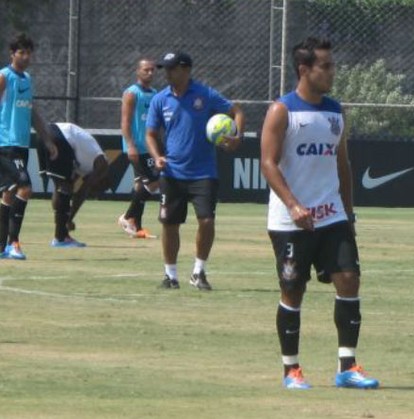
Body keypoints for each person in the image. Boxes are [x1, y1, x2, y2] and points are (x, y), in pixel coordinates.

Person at [260, 37, 380, 390]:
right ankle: (291, 370)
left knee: (349, 280)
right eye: (324, 66)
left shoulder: (334, 111)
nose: (331, 72)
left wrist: (349, 214)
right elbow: (267, 163)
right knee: (293, 290)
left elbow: (342, 165)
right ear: (304, 70)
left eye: (331, 65)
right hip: (290, 221)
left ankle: (348, 366)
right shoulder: (282, 110)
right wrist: (293, 204)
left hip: (332, 217)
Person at [145, 51, 244, 291]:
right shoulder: (160, 99)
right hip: (172, 172)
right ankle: (170, 275)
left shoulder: (205, 94)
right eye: (165, 69)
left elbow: (237, 112)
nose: (167, 73)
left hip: (203, 172)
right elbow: (150, 133)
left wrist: (237, 138)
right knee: (169, 224)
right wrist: (157, 156)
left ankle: (199, 272)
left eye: (171, 69)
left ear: (186, 70)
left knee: (207, 221)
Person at [0, 33, 57, 260]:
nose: (25, 56)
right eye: (21, 52)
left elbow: (31, 111)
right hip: (6, 143)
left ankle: (2, 246)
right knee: (25, 187)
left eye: (28, 52)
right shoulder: (4, 76)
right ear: (12, 54)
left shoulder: (27, 79)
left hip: (21, 144)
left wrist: (46, 139)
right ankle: (15, 243)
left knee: (8, 194)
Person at [38, 123, 109, 247]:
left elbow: (74, 188)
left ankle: (60, 233)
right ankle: (61, 237)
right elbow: (82, 191)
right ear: (102, 180)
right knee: (64, 187)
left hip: (44, 134)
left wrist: (66, 220)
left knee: (61, 186)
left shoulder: (82, 166)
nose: (94, 192)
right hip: (60, 136)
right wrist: (69, 219)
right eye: (97, 189)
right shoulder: (102, 164)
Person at [118, 58, 159, 239]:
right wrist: (130, 145)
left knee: (140, 185)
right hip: (137, 147)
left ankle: (137, 227)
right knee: (153, 182)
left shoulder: (155, 93)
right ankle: (127, 217)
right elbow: (125, 122)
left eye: (152, 70)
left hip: (149, 147)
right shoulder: (132, 93)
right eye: (146, 70)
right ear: (137, 71)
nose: (149, 73)